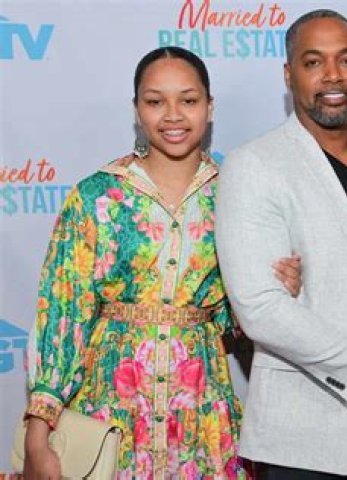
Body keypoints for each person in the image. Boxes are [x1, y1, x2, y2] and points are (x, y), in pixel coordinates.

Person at [22, 46, 254, 479]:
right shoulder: (97, 197)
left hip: (201, 417)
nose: (173, 115)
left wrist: (279, 286)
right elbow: (63, 315)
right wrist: (38, 432)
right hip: (110, 416)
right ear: (136, 110)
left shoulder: (235, 195)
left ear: (209, 107)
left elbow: (240, 320)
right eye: (155, 101)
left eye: (188, 100)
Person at [215, 9, 347, 480]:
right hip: (302, 436)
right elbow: (261, 308)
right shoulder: (254, 165)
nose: (334, 75)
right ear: (289, 74)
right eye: (314, 62)